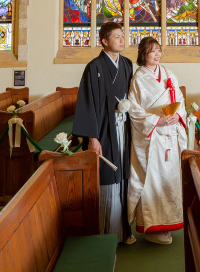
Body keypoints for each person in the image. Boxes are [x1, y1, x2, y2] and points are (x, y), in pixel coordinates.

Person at [72, 22, 136, 245]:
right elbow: (87, 104)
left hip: (124, 129)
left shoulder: (127, 64)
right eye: (116, 36)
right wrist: (92, 138)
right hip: (104, 131)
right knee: (108, 175)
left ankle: (125, 230)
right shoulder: (94, 67)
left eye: (122, 35)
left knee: (124, 175)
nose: (121, 39)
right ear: (104, 41)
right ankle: (108, 234)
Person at [127, 37, 187, 245]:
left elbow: (179, 99)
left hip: (171, 134)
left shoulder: (169, 74)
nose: (157, 54)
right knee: (153, 180)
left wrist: (177, 116)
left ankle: (169, 222)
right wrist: (156, 121)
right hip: (153, 138)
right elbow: (134, 110)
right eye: (152, 51)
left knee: (170, 179)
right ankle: (152, 227)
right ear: (144, 53)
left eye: (159, 50)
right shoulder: (138, 79)